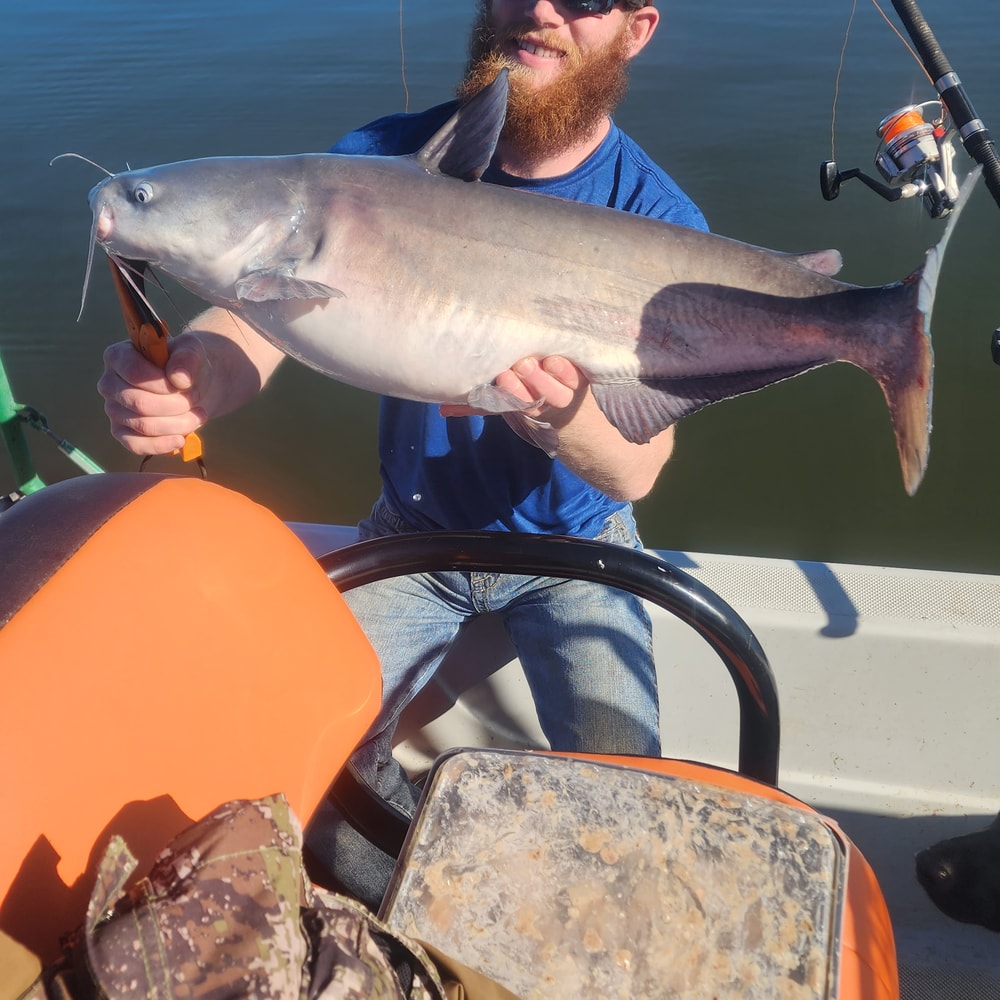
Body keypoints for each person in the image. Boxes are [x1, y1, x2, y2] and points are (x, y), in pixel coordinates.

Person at [98, 0, 708, 910]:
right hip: (412, 537)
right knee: (274, 746)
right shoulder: (380, 158)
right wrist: (194, 378)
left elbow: (637, 471)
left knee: (629, 789)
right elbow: (264, 318)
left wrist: (563, 419)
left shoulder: (655, 217)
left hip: (582, 550)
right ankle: (417, 903)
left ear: (637, 29)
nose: (539, 9)